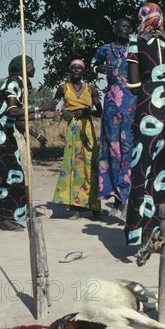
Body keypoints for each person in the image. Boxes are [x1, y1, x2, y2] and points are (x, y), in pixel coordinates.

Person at [125, 2, 165, 257]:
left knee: (144, 169)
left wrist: (150, 88)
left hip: (148, 107)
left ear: (142, 18)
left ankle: (141, 234)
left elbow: (132, 84)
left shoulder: (136, 42)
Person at [0, 55, 57, 233]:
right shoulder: (13, 82)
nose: (34, 68)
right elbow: (12, 110)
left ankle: (6, 217)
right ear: (22, 68)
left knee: (13, 176)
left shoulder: (20, 83)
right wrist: (40, 108)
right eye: (31, 65)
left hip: (6, 136)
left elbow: (19, 116)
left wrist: (44, 115)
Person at [91, 18, 136, 217]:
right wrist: (98, 69)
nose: (126, 30)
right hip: (110, 104)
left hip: (131, 103)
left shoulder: (135, 48)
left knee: (128, 148)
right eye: (123, 27)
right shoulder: (105, 49)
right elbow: (93, 65)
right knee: (112, 148)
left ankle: (124, 197)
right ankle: (115, 196)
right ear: (115, 28)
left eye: (128, 28)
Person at [52, 59, 103, 219]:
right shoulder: (63, 88)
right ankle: (76, 208)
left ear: (83, 71)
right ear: (69, 70)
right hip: (72, 128)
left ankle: (94, 205)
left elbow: (100, 111)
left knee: (90, 164)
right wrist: (62, 112)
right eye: (73, 67)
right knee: (73, 165)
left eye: (79, 68)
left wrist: (88, 112)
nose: (76, 70)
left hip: (86, 129)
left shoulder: (91, 88)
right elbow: (53, 106)